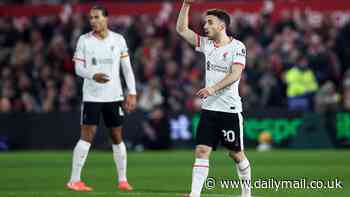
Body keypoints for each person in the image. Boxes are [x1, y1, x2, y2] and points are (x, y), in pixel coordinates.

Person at [176, 1, 252, 197]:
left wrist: (212, 88)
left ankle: (246, 194)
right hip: (209, 109)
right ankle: (194, 194)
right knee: (202, 151)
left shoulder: (238, 47)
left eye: (210, 22)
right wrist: (186, 4)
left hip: (229, 110)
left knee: (236, 154)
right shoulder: (207, 45)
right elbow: (182, 30)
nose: (205, 26)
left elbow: (236, 74)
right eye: (205, 23)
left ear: (221, 26)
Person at [66, 5, 137, 192]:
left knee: (116, 136)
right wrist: (92, 75)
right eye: (91, 18)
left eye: (97, 17)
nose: (93, 21)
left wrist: (132, 92)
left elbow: (127, 68)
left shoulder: (118, 40)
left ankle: (122, 180)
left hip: (114, 96)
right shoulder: (84, 40)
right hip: (92, 96)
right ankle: (74, 180)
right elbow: (78, 69)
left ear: (106, 19)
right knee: (87, 136)